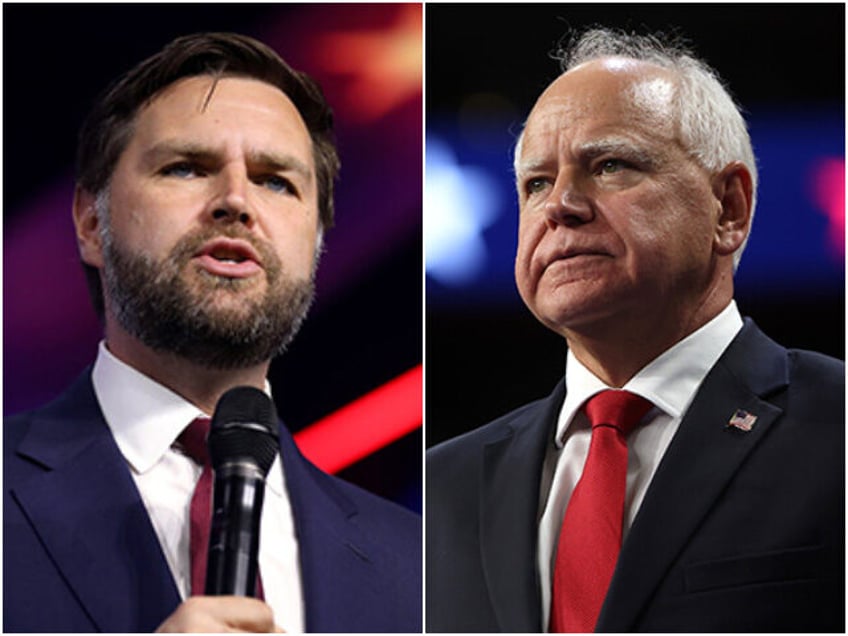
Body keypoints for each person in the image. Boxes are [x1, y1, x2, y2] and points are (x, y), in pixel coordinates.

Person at [426, 27, 844, 632]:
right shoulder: (443, 487)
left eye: (610, 165)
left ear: (728, 208)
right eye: (536, 183)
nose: (559, 205)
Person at [4, 32, 421, 633]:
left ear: (317, 242)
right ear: (91, 223)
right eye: (186, 167)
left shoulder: (415, 562)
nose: (236, 200)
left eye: (276, 180)